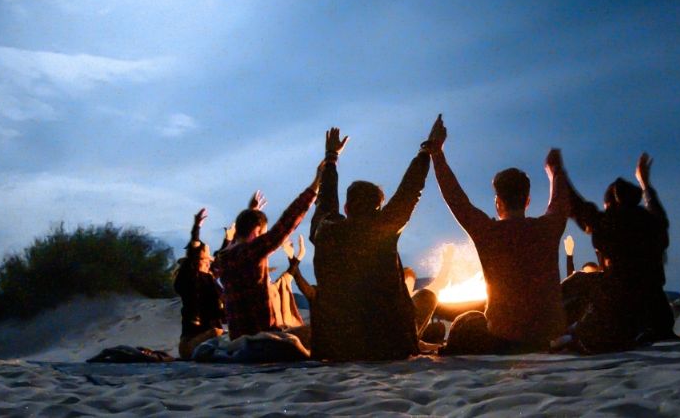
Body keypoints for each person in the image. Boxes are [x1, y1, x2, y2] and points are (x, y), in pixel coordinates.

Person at [427, 114, 570, 354]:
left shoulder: (488, 232)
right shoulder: (548, 228)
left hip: (503, 334)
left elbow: (456, 199)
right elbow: (560, 201)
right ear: (527, 200)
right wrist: (555, 171)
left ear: (497, 203)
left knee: (468, 321)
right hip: (547, 333)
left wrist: (437, 153)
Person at [309, 126, 433, 361]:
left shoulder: (325, 231)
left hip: (334, 347)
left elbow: (324, 203)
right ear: (377, 209)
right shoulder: (382, 227)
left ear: (346, 208)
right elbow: (410, 191)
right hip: (389, 344)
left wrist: (331, 158)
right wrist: (426, 151)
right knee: (427, 297)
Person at [561, 152, 677, 352]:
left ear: (611, 205)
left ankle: (545, 323)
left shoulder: (611, 222)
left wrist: (558, 173)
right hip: (659, 317)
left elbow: (578, 208)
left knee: (578, 279)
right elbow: (656, 210)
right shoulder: (653, 224)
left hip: (622, 315)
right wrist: (645, 184)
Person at [215, 166, 322, 340]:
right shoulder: (250, 252)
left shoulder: (224, 259)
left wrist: (252, 212)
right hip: (262, 338)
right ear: (256, 232)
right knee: (315, 333)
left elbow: (235, 241)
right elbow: (286, 223)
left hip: (238, 338)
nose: (263, 238)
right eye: (262, 233)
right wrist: (316, 184)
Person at [173, 208, 226, 359]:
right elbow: (194, 250)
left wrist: (229, 239)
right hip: (191, 343)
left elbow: (220, 261)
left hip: (210, 339)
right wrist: (196, 229)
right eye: (206, 260)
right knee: (218, 333)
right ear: (198, 261)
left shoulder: (208, 279)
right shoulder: (190, 277)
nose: (209, 263)